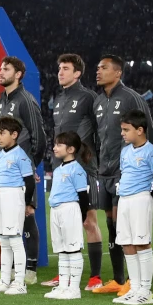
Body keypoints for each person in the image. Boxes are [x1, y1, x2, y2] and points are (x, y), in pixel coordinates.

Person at [91, 54, 153, 296]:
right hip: (104, 172)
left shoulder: (131, 98)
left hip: (125, 172)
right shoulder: (98, 101)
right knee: (111, 224)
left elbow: (148, 134)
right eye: (97, 67)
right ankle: (118, 280)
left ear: (118, 73)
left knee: (122, 224)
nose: (98, 71)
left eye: (103, 67)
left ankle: (133, 281)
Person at [47, 53, 103, 291]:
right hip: (61, 168)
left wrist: (88, 158)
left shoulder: (88, 97)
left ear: (78, 73)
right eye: (59, 68)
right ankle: (65, 274)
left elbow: (97, 130)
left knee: (88, 221)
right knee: (62, 222)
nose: (61, 72)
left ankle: (95, 276)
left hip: (82, 167)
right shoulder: (59, 99)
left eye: (66, 68)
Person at [0, 56, 47, 283]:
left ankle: (31, 271)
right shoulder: (1, 100)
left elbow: (39, 137)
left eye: (5, 69)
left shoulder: (26, 100)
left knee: (27, 215)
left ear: (18, 74)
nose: (0, 71)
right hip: (6, 171)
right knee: (11, 220)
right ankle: (13, 269)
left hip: (22, 171)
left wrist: (31, 164)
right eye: (0, 67)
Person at [111, 109, 153, 305]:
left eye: (126, 129)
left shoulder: (151, 152)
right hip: (125, 199)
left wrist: (150, 197)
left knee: (142, 243)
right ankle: (134, 287)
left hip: (141, 199)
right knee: (127, 243)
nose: (123, 133)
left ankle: (145, 290)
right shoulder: (125, 152)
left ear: (140, 130)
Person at [0, 117, 35, 296]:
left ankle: (20, 282)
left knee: (14, 239)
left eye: (2, 133)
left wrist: (28, 203)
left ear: (14, 135)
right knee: (4, 240)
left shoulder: (21, 155)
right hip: (0, 195)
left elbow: (29, 182)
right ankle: (5, 280)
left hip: (14, 195)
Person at [45, 131, 93, 300]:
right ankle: (63, 286)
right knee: (62, 250)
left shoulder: (77, 170)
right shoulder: (58, 169)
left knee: (72, 249)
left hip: (70, 209)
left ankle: (74, 289)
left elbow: (83, 196)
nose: (54, 148)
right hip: (56, 210)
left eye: (59, 145)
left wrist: (81, 216)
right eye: (55, 144)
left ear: (71, 149)